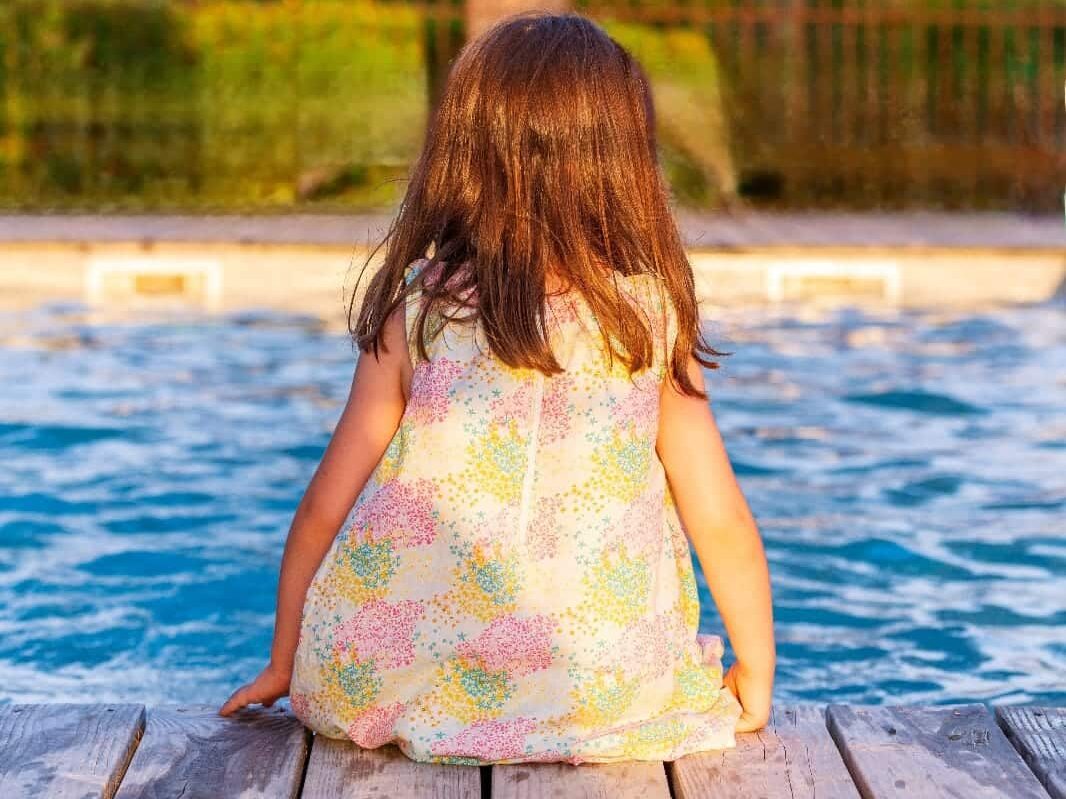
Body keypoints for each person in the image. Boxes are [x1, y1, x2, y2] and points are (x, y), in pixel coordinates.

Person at [220, 11, 775, 765]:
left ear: (462, 154)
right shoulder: (646, 318)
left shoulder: (418, 306)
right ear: (624, 163)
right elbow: (721, 521)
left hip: (395, 680)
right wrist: (757, 673)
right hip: (600, 689)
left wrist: (285, 660)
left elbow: (325, 503)